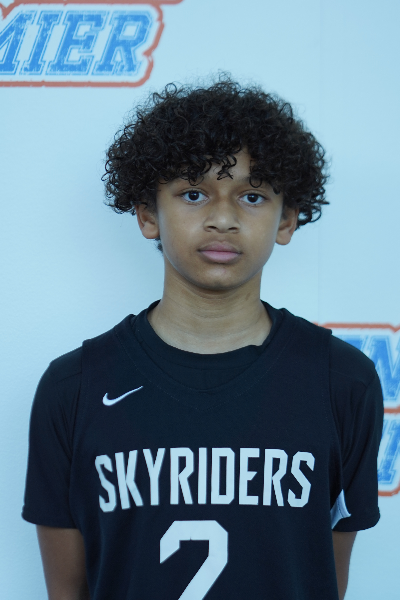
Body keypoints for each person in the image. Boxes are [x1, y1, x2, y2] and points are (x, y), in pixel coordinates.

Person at [22, 77, 383, 600]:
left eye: (252, 196)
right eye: (193, 194)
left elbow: (322, 578)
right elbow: (68, 590)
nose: (222, 219)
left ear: (287, 220)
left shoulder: (342, 382)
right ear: (148, 214)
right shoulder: (73, 388)